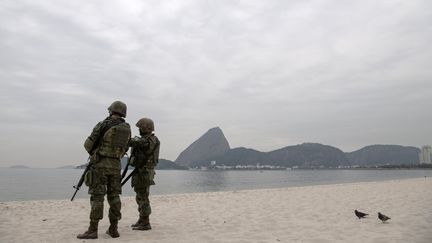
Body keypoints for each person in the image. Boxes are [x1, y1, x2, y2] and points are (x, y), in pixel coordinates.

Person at [77, 101, 131, 239]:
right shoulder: (127, 128)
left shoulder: (103, 124)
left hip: (100, 165)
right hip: (116, 166)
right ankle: (114, 229)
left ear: (111, 110)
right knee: (114, 197)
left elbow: (87, 145)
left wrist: (97, 153)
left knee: (97, 197)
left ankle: (92, 230)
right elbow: (125, 148)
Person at [128, 117, 160, 230]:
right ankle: (142, 219)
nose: (139, 130)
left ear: (145, 128)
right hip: (143, 171)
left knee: (143, 197)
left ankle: (145, 222)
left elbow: (132, 142)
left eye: (140, 127)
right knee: (140, 196)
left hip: (143, 172)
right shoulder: (152, 139)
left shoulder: (147, 140)